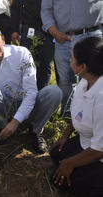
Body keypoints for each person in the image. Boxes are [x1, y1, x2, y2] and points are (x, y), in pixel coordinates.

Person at [0, 23, 62, 157]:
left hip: (28, 103)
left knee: (55, 92)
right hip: (6, 106)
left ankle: (35, 130)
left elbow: (31, 92)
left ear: (3, 39)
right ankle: (3, 127)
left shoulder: (21, 54)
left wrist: (15, 122)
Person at [49, 37, 103, 197]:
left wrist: (70, 162)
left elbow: (101, 149)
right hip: (87, 142)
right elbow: (79, 113)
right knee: (56, 154)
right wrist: (65, 136)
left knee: (58, 180)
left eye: (72, 57)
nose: (69, 60)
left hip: (98, 153)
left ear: (83, 67)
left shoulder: (101, 98)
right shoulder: (86, 81)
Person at [41, 0, 103, 117]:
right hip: (64, 39)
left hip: (94, 34)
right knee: (66, 80)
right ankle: (68, 115)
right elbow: (46, 10)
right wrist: (54, 32)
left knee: (95, 77)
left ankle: (94, 114)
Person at [10, 0, 54, 90]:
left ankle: (42, 95)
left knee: (45, 66)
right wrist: (15, 30)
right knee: (26, 65)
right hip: (28, 29)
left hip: (48, 31)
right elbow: (15, 7)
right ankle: (27, 95)